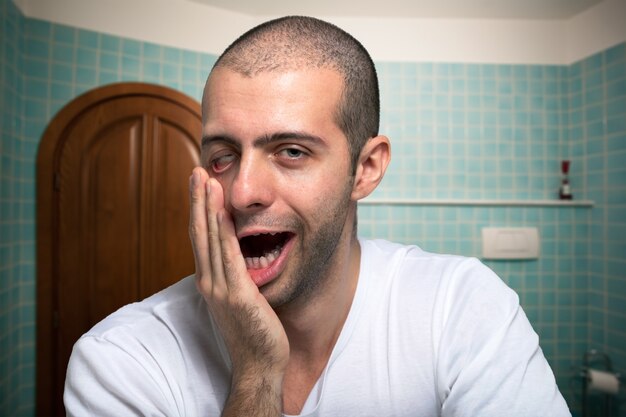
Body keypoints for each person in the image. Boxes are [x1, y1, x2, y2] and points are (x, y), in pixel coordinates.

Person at [64, 16, 571, 416]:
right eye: (222, 156)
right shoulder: (122, 359)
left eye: (290, 152)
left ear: (365, 169)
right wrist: (256, 374)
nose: (241, 192)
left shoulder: (460, 310)